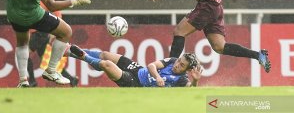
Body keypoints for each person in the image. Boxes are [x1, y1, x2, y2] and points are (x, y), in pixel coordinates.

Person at [68, 45, 203, 87]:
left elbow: (190, 90)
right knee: (105, 55)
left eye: (182, 65)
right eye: (179, 61)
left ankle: (83, 56)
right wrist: (157, 77)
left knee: (106, 64)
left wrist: (196, 80)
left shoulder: (181, 79)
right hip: (137, 69)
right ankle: (69, 50)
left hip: (135, 83)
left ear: (187, 70)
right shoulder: (172, 60)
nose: (177, 64)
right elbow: (151, 65)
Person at [27, 2, 79, 87]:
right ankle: (72, 79)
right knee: (48, 62)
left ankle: (32, 81)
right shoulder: (30, 0)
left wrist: (55, 31)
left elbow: (57, 12)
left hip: (40, 33)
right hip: (37, 33)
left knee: (24, 53)